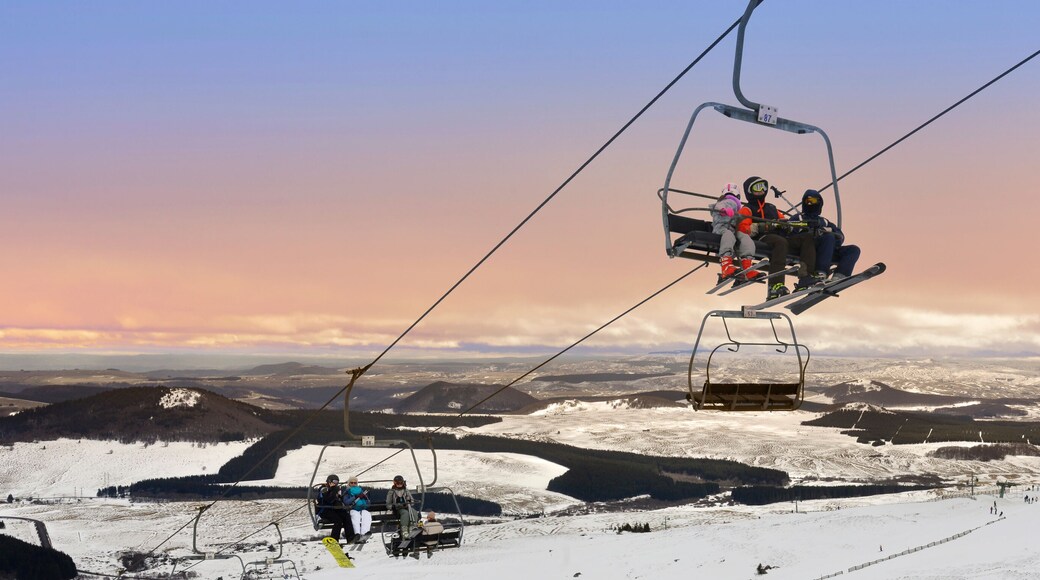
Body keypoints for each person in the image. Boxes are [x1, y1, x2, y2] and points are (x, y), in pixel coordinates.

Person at [740, 176, 819, 299]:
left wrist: (789, 225)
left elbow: (783, 220)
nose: (761, 190)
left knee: (807, 238)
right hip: (763, 237)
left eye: (763, 187)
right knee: (780, 243)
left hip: (781, 236)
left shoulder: (771, 208)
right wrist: (765, 226)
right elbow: (743, 229)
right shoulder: (747, 209)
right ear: (749, 191)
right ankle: (775, 285)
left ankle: (806, 277)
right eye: (757, 187)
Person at [798, 189, 860, 280]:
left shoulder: (824, 221)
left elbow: (840, 236)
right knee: (828, 237)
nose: (811, 204)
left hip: (828, 249)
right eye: (808, 201)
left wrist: (829, 231)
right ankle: (820, 271)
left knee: (853, 249)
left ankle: (840, 275)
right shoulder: (798, 218)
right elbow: (791, 234)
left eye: (814, 201)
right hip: (810, 249)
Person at [709, 182, 762, 283]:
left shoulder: (737, 207)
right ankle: (726, 264)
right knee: (729, 236)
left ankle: (747, 266)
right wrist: (724, 210)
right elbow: (718, 207)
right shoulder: (727, 201)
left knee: (745, 238)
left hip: (732, 230)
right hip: (721, 228)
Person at [316, 474, 354, 543]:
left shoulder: (335, 489)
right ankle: (334, 539)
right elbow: (329, 499)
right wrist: (334, 491)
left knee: (346, 516)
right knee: (338, 520)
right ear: (329, 481)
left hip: (333, 509)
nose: (336, 483)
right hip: (324, 510)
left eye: (337, 482)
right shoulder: (324, 489)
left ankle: (350, 537)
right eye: (334, 481)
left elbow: (338, 499)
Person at [386, 475, 418, 547]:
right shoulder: (392, 492)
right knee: (405, 513)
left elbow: (412, 500)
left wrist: (410, 501)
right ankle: (404, 530)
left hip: (407, 507)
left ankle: (412, 527)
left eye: (401, 483)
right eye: (398, 483)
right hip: (398, 509)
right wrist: (393, 506)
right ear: (395, 483)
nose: (399, 484)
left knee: (414, 511)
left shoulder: (406, 490)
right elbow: (388, 503)